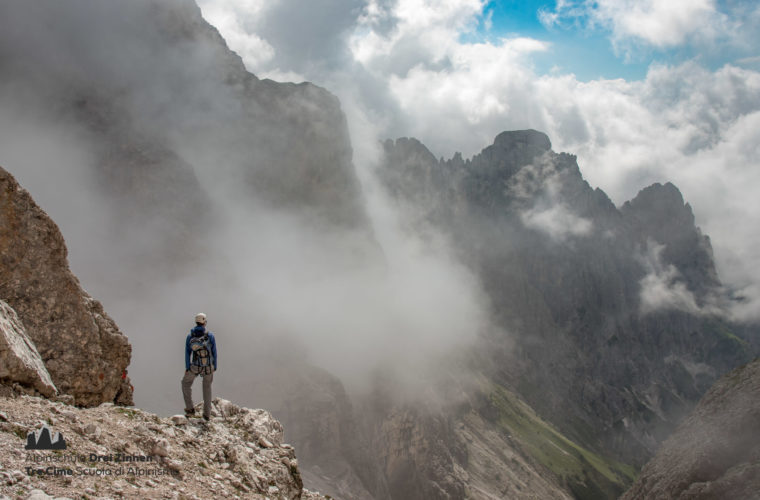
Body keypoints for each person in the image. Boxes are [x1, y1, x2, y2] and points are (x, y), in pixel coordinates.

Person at [181, 312, 217, 421]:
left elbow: (188, 353)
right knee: (207, 388)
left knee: (185, 384)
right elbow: (214, 352)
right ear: (204, 322)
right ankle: (206, 414)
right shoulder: (210, 335)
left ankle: (190, 409)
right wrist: (214, 366)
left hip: (195, 366)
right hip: (208, 366)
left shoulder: (190, 336)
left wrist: (188, 367)